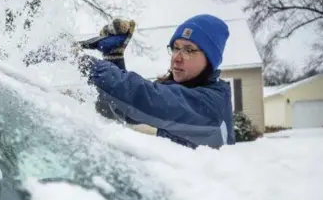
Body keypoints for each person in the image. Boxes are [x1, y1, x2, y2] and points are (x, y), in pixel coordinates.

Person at [78, 14, 235, 149]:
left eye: (189, 50)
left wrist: (83, 62)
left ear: (210, 59)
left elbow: (146, 98)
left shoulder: (211, 104)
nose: (177, 57)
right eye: (175, 47)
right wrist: (114, 58)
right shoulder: (178, 89)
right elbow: (125, 111)